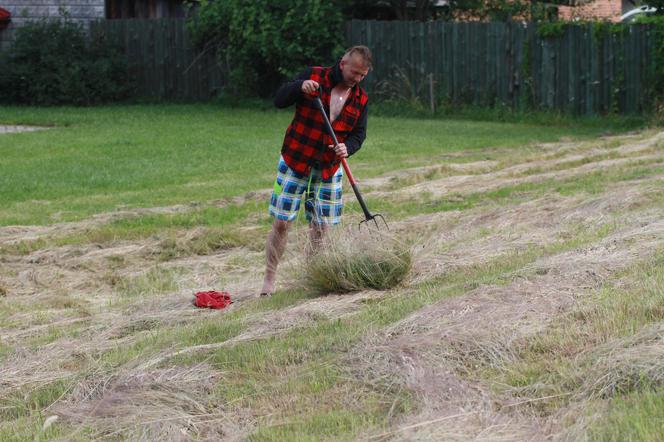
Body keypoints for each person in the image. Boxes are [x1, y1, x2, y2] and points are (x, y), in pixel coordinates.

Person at [260, 45, 372, 297]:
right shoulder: (314, 76)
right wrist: (299, 87)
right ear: (342, 63)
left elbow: (359, 135)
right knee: (281, 224)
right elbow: (279, 99)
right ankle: (269, 279)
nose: (357, 79)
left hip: (328, 169)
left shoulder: (361, 99)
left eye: (362, 75)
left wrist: (348, 147)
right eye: (354, 72)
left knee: (321, 229)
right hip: (295, 161)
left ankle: (312, 277)